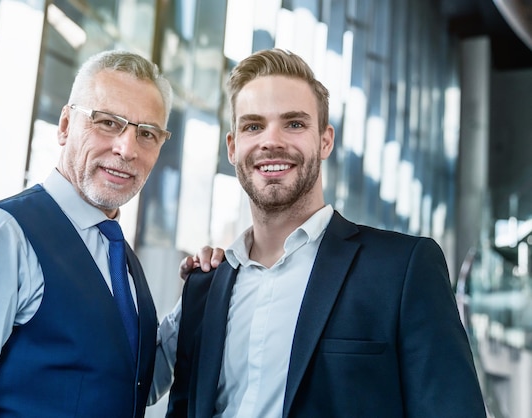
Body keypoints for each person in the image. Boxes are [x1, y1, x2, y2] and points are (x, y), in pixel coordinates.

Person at [166, 48, 487, 418]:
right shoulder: (204, 287)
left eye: (294, 124)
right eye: (253, 126)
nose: (271, 141)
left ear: (325, 141)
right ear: (233, 147)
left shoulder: (402, 270)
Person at [0, 50, 220, 418]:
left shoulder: (120, 259)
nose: (126, 148)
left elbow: (134, 384)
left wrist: (198, 297)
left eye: (146, 133)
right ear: (66, 125)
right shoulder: (1, 235)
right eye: (107, 122)